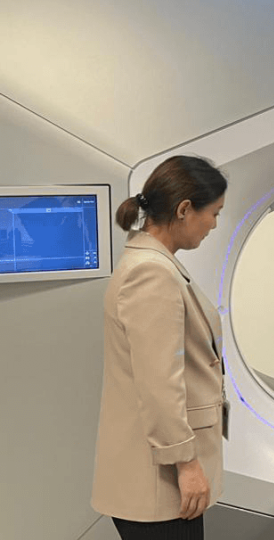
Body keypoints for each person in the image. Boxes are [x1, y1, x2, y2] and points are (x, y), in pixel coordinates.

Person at [91, 155, 228, 540]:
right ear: (185, 209)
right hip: (162, 478)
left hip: (158, 470)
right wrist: (186, 465)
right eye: (214, 213)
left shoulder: (150, 262)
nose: (215, 225)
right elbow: (159, 383)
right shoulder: (153, 273)